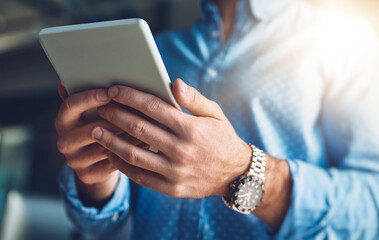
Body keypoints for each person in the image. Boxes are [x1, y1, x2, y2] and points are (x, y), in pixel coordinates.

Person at [55, 0, 379, 239]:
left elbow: (371, 210)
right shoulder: (159, 50)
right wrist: (97, 179)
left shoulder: (348, 42)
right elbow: (101, 229)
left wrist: (240, 172)